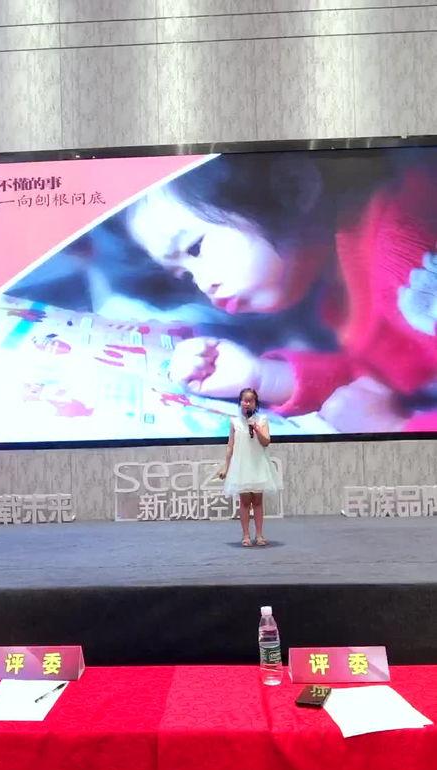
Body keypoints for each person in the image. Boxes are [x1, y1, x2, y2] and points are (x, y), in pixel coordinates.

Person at [126, 151, 437, 433]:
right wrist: (260, 377)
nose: (203, 283)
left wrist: (394, 427)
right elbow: (373, 386)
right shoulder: (338, 291)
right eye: (185, 274)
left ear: (293, 186)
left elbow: (385, 405)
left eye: (195, 248)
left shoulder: (405, 252)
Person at [219, 388, 281, 547]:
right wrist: (226, 467)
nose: (247, 403)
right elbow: (230, 446)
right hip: (242, 466)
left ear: (255, 403)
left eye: (250, 400)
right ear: (240, 402)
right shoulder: (234, 422)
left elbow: (266, 442)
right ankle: (246, 535)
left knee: (258, 501)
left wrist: (257, 428)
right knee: (245, 502)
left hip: (258, 464)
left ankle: (259, 535)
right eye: (244, 400)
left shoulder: (262, 420)